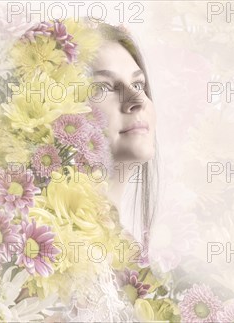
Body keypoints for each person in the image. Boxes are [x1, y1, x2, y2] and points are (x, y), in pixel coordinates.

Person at [89, 23, 159, 256]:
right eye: (103, 87)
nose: (137, 99)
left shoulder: (129, 255)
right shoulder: (40, 247)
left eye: (139, 84)